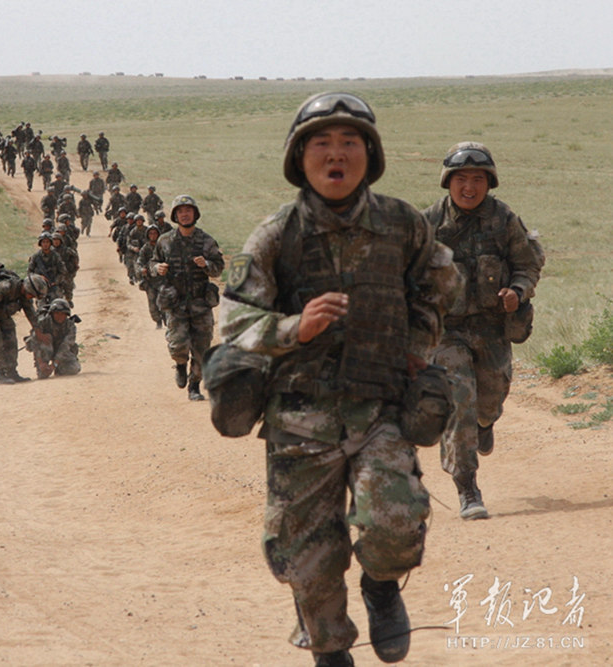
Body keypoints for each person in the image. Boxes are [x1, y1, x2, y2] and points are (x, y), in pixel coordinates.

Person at [218, 92, 461, 666]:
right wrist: (292, 328)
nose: (336, 154)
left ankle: (380, 586)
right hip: (299, 417)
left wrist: (416, 343)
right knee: (308, 555)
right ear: (299, 157)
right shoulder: (276, 234)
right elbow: (232, 318)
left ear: (369, 155)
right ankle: (329, 649)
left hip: (381, 407)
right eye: (322, 143)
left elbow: (441, 283)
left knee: (396, 519)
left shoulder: (403, 224)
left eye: (349, 142)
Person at [422, 141, 544, 521]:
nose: (469, 187)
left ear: (489, 184)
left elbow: (528, 264)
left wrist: (518, 291)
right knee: (459, 399)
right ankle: (467, 488)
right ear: (448, 182)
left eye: (478, 179)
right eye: (461, 179)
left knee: (488, 398)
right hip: (446, 332)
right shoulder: (427, 224)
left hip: (492, 326)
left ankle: (485, 421)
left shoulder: (504, 220)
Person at [153, 195, 224, 401]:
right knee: (178, 345)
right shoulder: (165, 241)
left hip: (201, 304)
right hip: (175, 304)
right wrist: (157, 267)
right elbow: (152, 262)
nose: (185, 215)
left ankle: (194, 386)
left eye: (188, 211)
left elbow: (219, 267)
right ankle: (181, 364)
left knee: (202, 349)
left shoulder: (206, 241)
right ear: (175, 216)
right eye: (180, 211)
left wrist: (207, 265)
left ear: (195, 214)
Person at [0, 272, 46, 384]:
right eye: (31, 295)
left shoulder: (24, 295)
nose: (31, 297)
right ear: (26, 289)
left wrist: (38, 331)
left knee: (11, 341)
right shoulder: (5, 288)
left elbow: (30, 312)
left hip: (4, 316)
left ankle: (12, 372)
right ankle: (0, 374)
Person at [27, 298, 81, 378]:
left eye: (62, 314)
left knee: (73, 369)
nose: (59, 316)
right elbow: (35, 342)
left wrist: (54, 365)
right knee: (43, 375)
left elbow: (65, 346)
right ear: (52, 313)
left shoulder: (70, 326)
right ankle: (43, 368)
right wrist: (41, 362)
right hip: (45, 351)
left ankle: (58, 368)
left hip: (62, 353)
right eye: (57, 313)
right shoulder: (43, 322)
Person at [137, 225, 165, 328]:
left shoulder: (163, 246)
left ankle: (167, 319)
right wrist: (142, 269)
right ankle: (158, 321)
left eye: (155, 233)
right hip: (150, 280)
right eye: (151, 233)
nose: (153, 235)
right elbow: (140, 261)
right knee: (152, 303)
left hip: (163, 279)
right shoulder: (145, 248)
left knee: (165, 300)